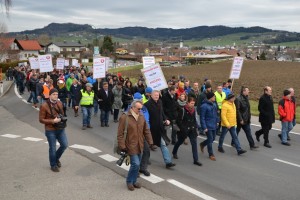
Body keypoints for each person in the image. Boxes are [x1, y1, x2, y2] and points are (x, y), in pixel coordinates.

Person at [117, 100, 154, 191]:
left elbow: (146, 130)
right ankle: (129, 181)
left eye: (141, 109)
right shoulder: (124, 117)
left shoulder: (141, 116)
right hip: (130, 145)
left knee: (136, 165)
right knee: (135, 164)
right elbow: (120, 134)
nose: (140, 110)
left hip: (140, 145)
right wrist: (122, 146)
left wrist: (150, 142)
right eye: (138, 109)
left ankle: (134, 181)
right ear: (132, 108)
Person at [144, 90, 176, 169]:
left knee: (163, 145)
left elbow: (162, 113)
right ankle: (145, 160)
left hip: (159, 129)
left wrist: (166, 119)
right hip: (150, 129)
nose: (156, 96)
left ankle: (168, 162)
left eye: (158, 95)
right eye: (155, 95)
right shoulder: (147, 105)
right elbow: (145, 117)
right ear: (151, 95)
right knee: (147, 146)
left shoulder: (160, 102)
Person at [39, 88, 68, 172]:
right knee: (52, 148)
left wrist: (61, 118)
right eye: (54, 94)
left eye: (57, 94)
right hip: (50, 130)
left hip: (60, 128)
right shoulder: (44, 105)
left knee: (64, 145)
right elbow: (41, 120)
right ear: (50, 95)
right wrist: (53, 121)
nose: (55, 96)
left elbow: (62, 114)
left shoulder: (59, 103)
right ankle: (53, 165)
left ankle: (56, 158)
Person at [172, 96, 202, 166]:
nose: (193, 105)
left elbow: (195, 119)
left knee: (194, 144)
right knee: (180, 142)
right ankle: (174, 152)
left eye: (194, 103)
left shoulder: (194, 110)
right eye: (191, 103)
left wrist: (197, 128)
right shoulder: (182, 110)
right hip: (184, 130)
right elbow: (178, 121)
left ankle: (196, 160)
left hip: (192, 129)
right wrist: (183, 129)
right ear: (187, 103)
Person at [199, 92, 219, 161]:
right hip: (208, 125)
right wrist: (204, 127)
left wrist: (217, 121)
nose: (215, 98)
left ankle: (202, 144)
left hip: (213, 124)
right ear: (210, 98)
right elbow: (202, 117)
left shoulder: (214, 104)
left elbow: (216, 114)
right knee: (210, 139)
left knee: (213, 138)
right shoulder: (204, 106)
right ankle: (211, 154)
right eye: (214, 97)